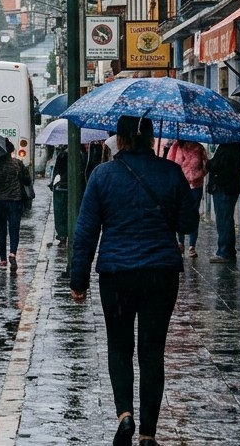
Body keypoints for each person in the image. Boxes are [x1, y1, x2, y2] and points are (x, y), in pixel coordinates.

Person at [70, 115, 198, 446]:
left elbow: (86, 232)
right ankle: (148, 433)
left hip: (117, 274)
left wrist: (78, 279)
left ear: (121, 139)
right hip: (161, 273)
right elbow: (187, 221)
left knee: (119, 345)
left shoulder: (102, 175)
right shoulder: (171, 172)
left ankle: (125, 415)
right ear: (149, 137)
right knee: (152, 351)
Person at [0, 139, 31, 273]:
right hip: (15, 200)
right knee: (14, 229)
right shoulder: (18, 164)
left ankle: (2, 259)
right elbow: (27, 181)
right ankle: (12, 253)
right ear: (11, 150)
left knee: (1, 230)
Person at [166, 139, 207, 258]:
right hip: (179, 185)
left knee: (193, 214)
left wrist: (197, 175)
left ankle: (192, 246)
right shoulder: (176, 147)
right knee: (179, 212)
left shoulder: (198, 148)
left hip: (195, 186)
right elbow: (170, 163)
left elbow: (205, 165)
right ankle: (180, 242)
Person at [205, 141, 240, 263]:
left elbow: (217, 165)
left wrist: (209, 163)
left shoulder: (228, 147)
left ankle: (224, 251)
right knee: (226, 219)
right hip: (230, 188)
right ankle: (228, 250)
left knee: (223, 220)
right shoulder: (237, 146)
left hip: (224, 189)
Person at [50, 145, 70, 242]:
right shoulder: (82, 155)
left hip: (62, 186)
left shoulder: (62, 155)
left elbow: (56, 171)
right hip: (73, 186)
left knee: (60, 211)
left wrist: (52, 183)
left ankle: (62, 234)